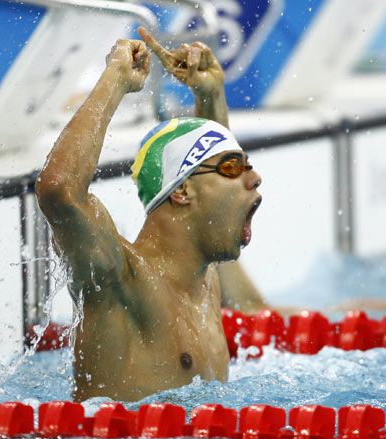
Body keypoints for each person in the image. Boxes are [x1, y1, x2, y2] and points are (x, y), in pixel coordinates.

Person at [36, 27, 262, 402]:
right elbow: (59, 193)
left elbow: (210, 180)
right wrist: (115, 80)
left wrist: (210, 94)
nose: (255, 179)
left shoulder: (204, 280)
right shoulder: (120, 281)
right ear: (183, 191)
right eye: (235, 169)